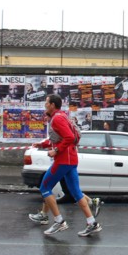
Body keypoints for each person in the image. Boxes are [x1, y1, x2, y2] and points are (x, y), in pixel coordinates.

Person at [32, 94, 101, 237]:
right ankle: (92, 223)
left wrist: (56, 150)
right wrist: (43, 144)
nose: (45, 104)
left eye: (46, 102)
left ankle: (59, 221)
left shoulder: (57, 119)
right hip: (71, 159)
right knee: (76, 192)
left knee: (45, 187)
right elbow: (59, 138)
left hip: (63, 159)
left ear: (52, 105)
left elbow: (69, 137)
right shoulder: (61, 115)